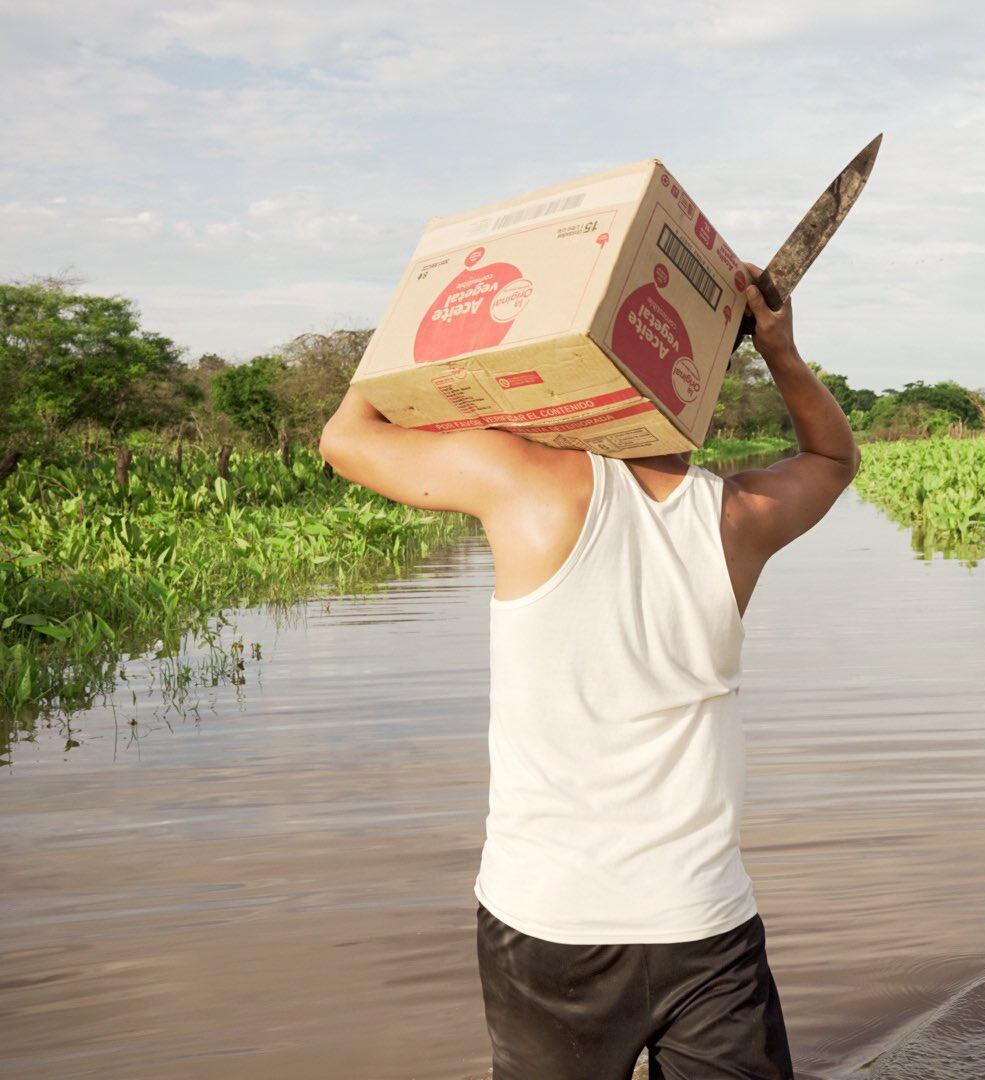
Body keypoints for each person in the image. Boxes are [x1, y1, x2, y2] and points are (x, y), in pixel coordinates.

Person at [319, 267, 855, 1080]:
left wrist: (424, 317)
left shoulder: (520, 477)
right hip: (702, 919)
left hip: (546, 920)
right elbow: (832, 456)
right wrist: (779, 348)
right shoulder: (738, 517)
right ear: (695, 392)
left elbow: (345, 439)